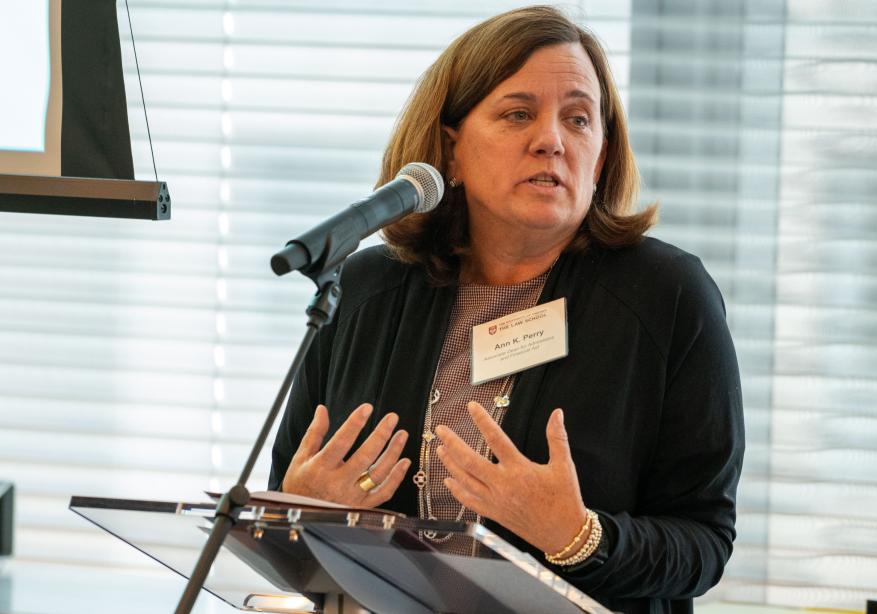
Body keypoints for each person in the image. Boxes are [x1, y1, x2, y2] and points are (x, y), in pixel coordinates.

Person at [269, 6, 744, 614]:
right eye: (519, 113)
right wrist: (301, 512)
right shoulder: (364, 289)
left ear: (599, 157)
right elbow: (281, 509)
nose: (551, 139)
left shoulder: (667, 293)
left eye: (578, 119)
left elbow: (703, 542)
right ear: (451, 151)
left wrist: (579, 537)